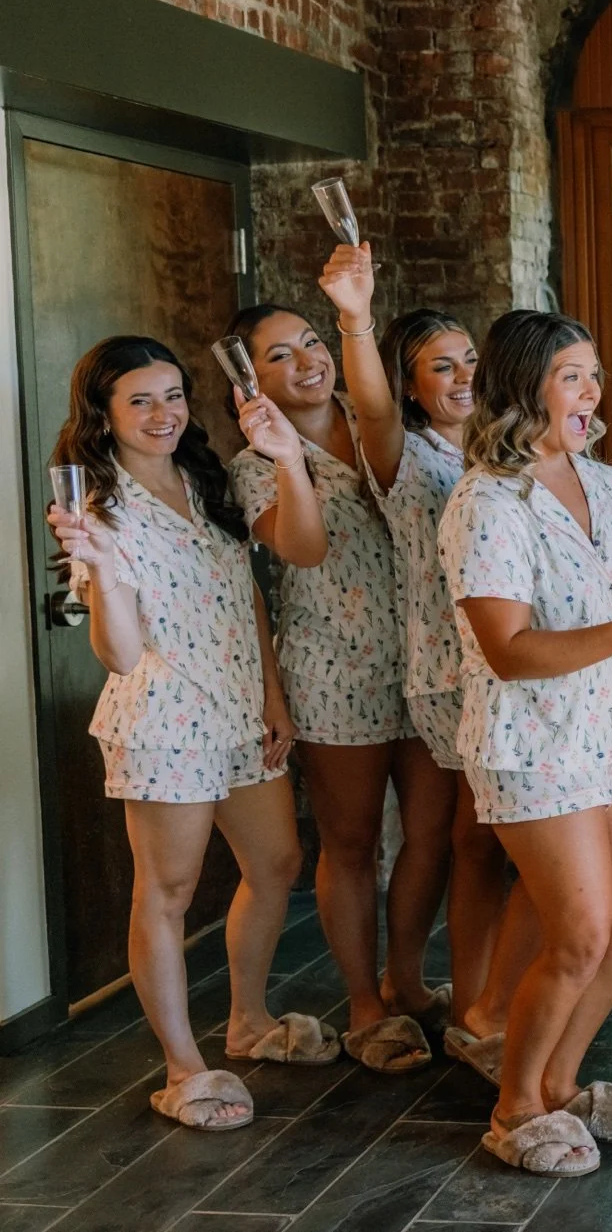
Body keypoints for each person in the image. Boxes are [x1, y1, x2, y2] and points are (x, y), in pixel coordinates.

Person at [47, 337, 318, 1131]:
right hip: (166, 721)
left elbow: (252, 590)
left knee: (277, 862)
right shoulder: (95, 509)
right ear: (103, 414)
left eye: (172, 395)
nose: (164, 414)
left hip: (240, 708)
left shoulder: (209, 479)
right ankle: (182, 1065)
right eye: (141, 400)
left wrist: (272, 692)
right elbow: (121, 653)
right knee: (165, 893)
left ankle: (247, 1020)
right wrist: (98, 569)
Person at [440, 311, 612, 1176]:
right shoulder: (485, 501)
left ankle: (558, 1082)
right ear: (524, 386)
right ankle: (512, 1109)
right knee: (578, 932)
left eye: (593, 376)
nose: (592, 392)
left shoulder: (606, 483)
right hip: (530, 742)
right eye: (573, 376)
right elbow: (507, 649)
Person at [319, 244, 530, 1083]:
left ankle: (438, 991)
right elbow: (368, 407)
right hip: (452, 675)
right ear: (409, 385)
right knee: (474, 843)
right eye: (441, 366)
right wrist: (356, 319)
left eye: (470, 359)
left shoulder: (495, 450)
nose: (463, 375)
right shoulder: (405, 457)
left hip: (507, 667)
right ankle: (474, 1010)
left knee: (458, 844)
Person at [224, 304, 439, 1074]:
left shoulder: (381, 417)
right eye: (280, 355)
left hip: (428, 660)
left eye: (313, 342)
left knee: (433, 833)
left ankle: (406, 978)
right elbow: (305, 549)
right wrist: (287, 455)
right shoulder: (253, 467)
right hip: (333, 671)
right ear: (253, 379)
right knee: (351, 845)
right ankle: (364, 1002)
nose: (308, 360)